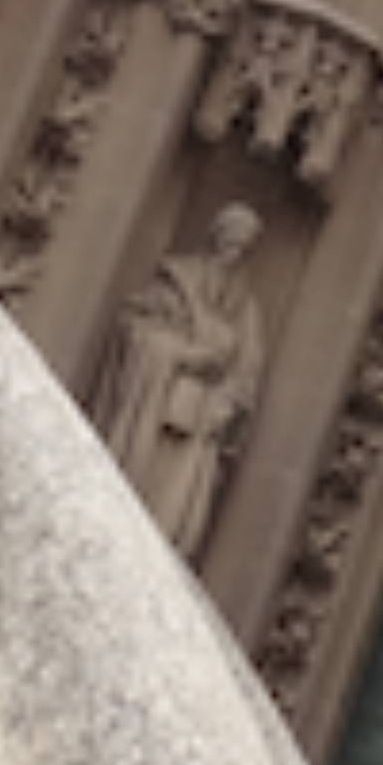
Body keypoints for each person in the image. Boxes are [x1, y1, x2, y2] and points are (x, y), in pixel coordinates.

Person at [93, 201, 268, 558]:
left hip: (200, 425)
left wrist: (229, 400)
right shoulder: (177, 281)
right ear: (216, 237)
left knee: (173, 514)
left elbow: (247, 367)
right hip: (152, 408)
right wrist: (179, 355)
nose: (234, 253)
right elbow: (136, 329)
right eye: (231, 241)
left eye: (243, 247)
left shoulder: (246, 307)